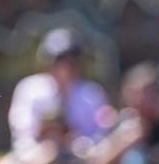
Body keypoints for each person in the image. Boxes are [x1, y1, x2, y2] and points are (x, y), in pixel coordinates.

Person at [7, 27, 111, 155]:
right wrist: (49, 140)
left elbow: (100, 136)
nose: (65, 70)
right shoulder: (30, 89)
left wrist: (77, 142)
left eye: (71, 63)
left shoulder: (92, 94)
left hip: (81, 162)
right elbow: (23, 134)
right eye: (59, 62)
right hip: (38, 160)